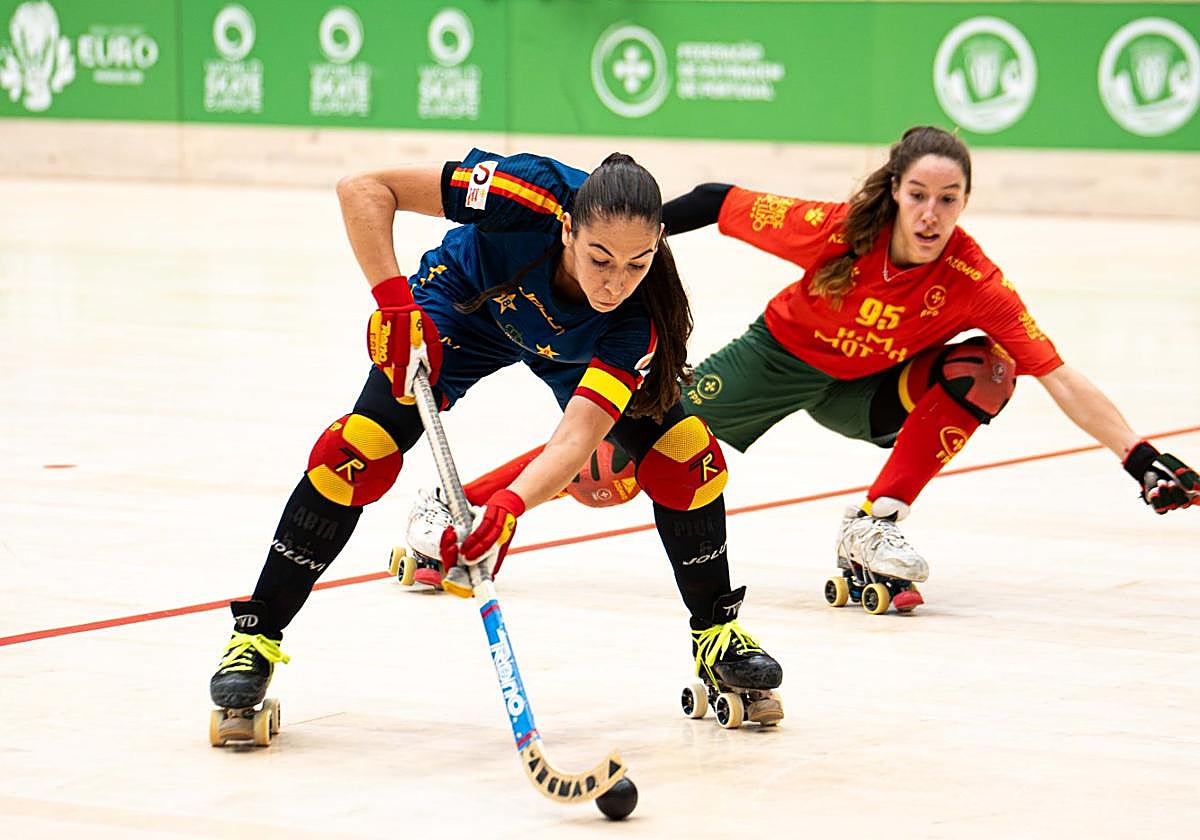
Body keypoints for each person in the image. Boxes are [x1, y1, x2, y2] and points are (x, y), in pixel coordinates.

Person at [434, 126, 1197, 615]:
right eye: (919, 195)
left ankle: (876, 527)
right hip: (775, 358)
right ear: (895, 192)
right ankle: (459, 507)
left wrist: (1139, 455)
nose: (931, 214)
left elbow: (1055, 371)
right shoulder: (837, 233)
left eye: (949, 200)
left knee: (988, 368)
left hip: (866, 391)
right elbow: (716, 200)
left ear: (964, 203)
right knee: (612, 469)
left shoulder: (974, 279)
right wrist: (635, 243)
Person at [208, 148, 784, 731]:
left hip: (579, 345)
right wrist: (393, 301)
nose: (614, 283)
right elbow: (364, 188)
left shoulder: (635, 317)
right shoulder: (523, 192)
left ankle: (717, 633)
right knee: (354, 453)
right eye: (599, 259)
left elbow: (575, 439)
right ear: (567, 228)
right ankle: (254, 638)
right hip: (466, 308)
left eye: (636, 264)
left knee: (688, 459)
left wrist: (508, 506)